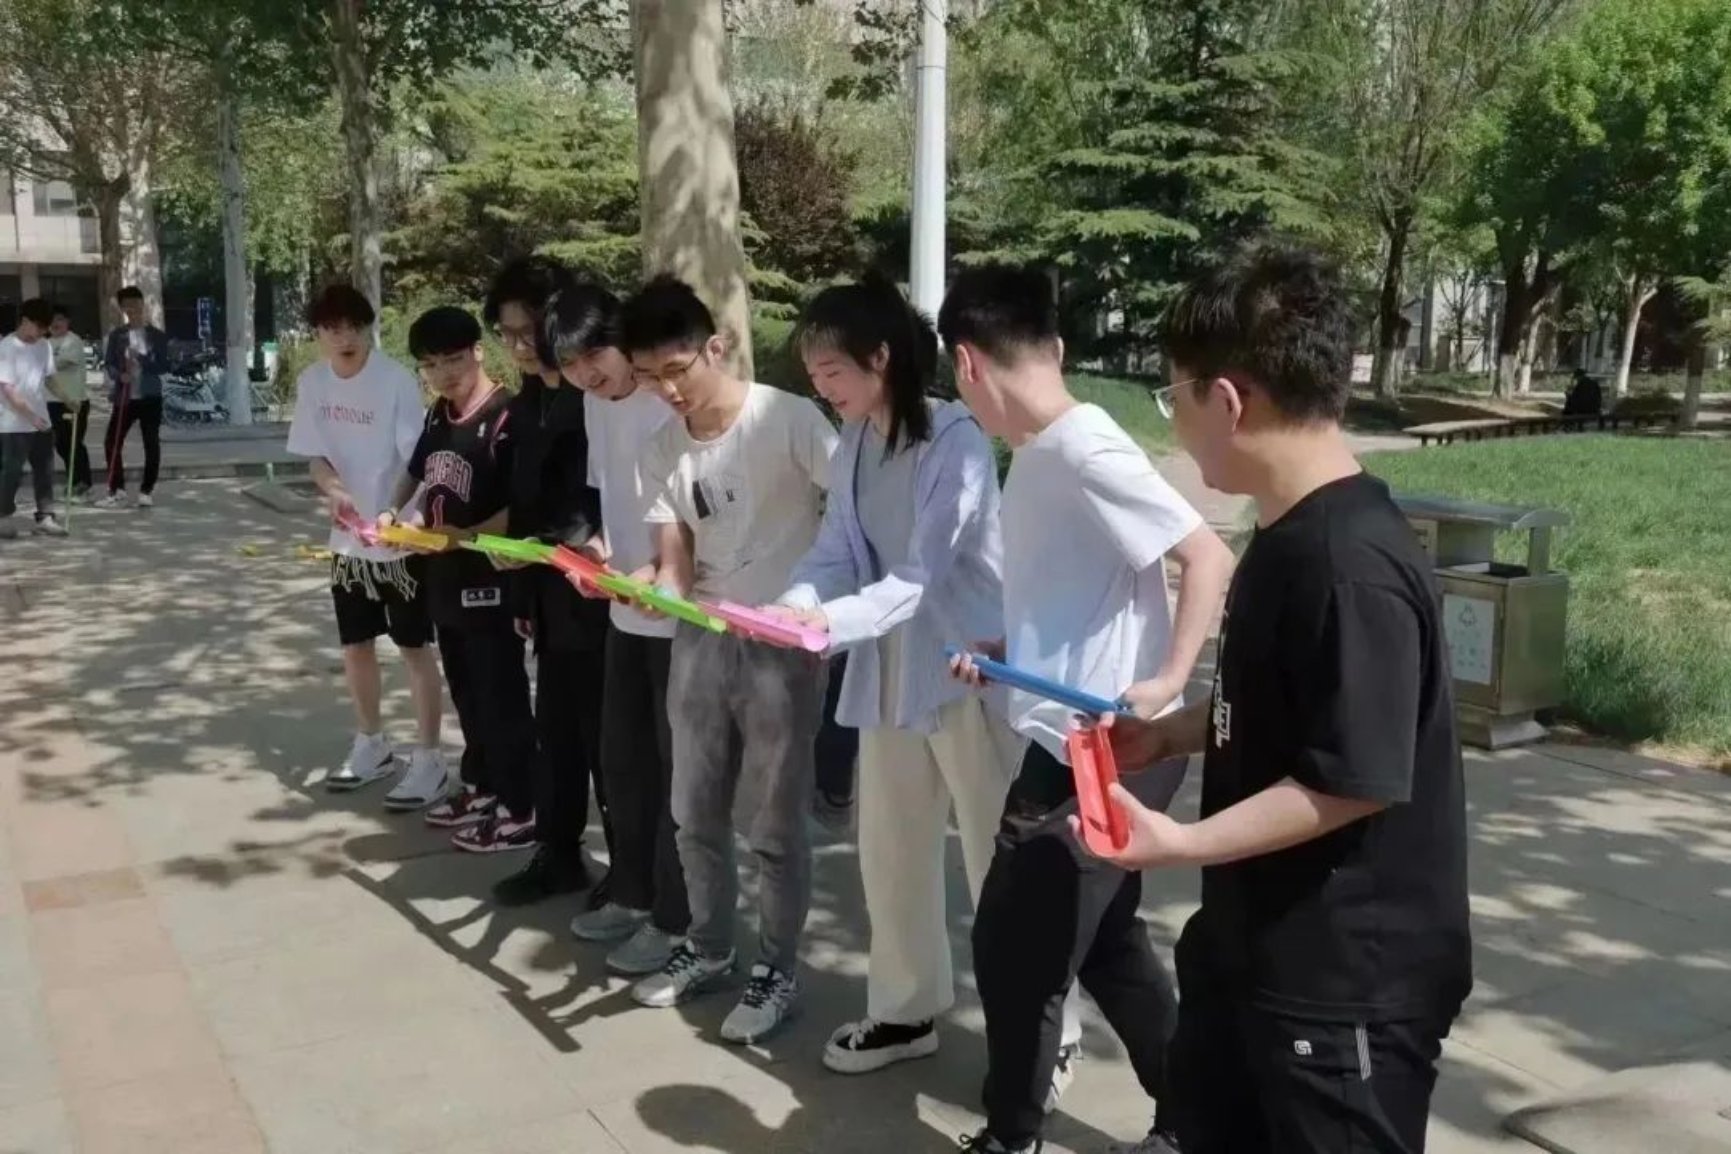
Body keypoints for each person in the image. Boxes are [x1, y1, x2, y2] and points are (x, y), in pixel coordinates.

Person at [1078, 242, 1472, 1154]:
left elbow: (1350, 779)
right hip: (1251, 950)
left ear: (1227, 400)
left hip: (1339, 989)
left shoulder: (1348, 564)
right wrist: (1169, 734)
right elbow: (1284, 711)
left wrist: (1178, 843)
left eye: (1172, 396)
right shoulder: (1288, 532)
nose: (1175, 421)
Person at [941, 265, 1234, 1154]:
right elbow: (1082, 593)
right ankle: (1195, 1117)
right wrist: (1009, 650)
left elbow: (1207, 555)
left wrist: (1166, 679)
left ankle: (1012, 1136)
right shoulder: (1043, 454)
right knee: (1105, 948)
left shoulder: (1083, 449)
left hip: (1103, 749)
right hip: (1064, 737)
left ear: (966, 364)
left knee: (1014, 951)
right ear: (1056, 347)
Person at [769, 275, 1083, 1080]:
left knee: (999, 863)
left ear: (880, 358)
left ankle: (1050, 1032)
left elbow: (919, 575)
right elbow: (836, 549)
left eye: (832, 371)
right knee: (890, 855)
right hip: (886, 678)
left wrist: (826, 625)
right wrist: (797, 602)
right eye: (813, 375)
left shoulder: (954, 441)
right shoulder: (854, 443)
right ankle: (904, 1011)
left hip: (967, 672)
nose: (822, 388)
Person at [623, 275, 838, 1045]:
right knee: (693, 812)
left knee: (774, 824)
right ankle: (709, 947)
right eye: (647, 378)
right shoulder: (660, 448)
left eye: (675, 370)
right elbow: (674, 561)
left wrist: (822, 604)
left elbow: (849, 517)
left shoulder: (788, 419)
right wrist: (653, 587)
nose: (666, 391)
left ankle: (777, 970)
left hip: (782, 646)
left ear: (714, 348)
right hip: (701, 641)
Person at [545, 285, 689, 977]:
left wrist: (662, 571)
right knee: (625, 766)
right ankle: (632, 894)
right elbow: (611, 501)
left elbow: (693, 511)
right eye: (570, 365)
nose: (585, 375)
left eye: (594, 356)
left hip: (679, 618)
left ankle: (677, 920)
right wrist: (596, 552)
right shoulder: (594, 405)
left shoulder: (669, 402)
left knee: (676, 778)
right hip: (623, 612)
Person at [383, 306, 537, 855]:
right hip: (443, 577)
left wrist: (464, 536)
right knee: (467, 691)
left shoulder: (508, 417)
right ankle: (483, 786)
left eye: (452, 359)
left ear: (477, 351)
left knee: (500, 694)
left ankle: (523, 805)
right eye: (430, 365)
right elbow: (420, 476)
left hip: (491, 578)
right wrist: (395, 516)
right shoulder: (438, 416)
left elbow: (523, 508)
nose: (443, 374)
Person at [481, 257, 612, 898]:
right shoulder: (531, 399)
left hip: (601, 590)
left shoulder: (599, 398)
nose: (518, 347)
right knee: (555, 734)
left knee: (606, 741)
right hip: (546, 592)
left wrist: (561, 548)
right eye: (505, 335)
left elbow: (604, 501)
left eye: (526, 330)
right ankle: (557, 852)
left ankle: (631, 873)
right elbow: (526, 497)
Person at [285, 284, 445, 803]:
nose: (344, 338)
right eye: (332, 329)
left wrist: (403, 517)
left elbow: (418, 460)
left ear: (367, 328)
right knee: (355, 645)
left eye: (353, 326)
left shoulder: (394, 380)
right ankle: (372, 742)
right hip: (348, 543)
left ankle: (429, 757)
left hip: (399, 538)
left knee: (414, 647)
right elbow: (315, 456)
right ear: (318, 333)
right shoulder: (313, 383)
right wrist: (334, 491)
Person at [96, 285, 169, 508]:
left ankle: (147, 490)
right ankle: (117, 489)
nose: (132, 310)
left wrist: (143, 358)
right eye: (127, 306)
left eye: (136, 304)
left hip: (150, 397)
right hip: (125, 397)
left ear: (142, 304)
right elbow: (109, 363)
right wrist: (120, 375)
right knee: (112, 442)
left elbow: (163, 366)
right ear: (122, 309)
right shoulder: (118, 335)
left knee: (151, 443)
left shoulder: (157, 336)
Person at [0, 298, 66, 539]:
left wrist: (67, 397)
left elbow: (49, 378)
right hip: (12, 423)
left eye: (44, 329)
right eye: (39, 327)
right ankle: (3, 515)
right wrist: (30, 416)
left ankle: (45, 517)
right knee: (11, 471)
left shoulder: (43, 346)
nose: (41, 333)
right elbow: (7, 389)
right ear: (25, 321)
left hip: (41, 419)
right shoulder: (7, 347)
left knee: (45, 469)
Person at [45, 305, 92, 499]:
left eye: (60, 319)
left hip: (74, 401)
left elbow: (63, 363)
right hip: (52, 401)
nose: (55, 324)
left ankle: (83, 483)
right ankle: (74, 479)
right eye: (52, 320)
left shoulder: (73, 341)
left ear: (67, 321)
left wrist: (40, 364)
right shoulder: (45, 343)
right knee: (61, 444)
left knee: (74, 443)